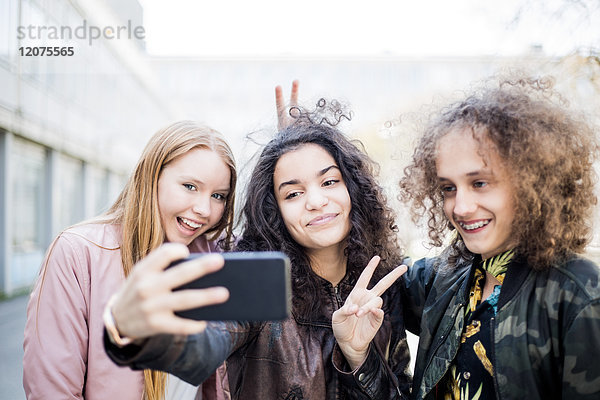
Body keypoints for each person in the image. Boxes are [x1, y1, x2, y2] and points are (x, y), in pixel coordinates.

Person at [102, 98, 413, 399]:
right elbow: (203, 346)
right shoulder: (257, 282)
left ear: (353, 188)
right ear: (273, 209)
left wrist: (359, 358)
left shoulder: (385, 284)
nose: (316, 202)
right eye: (293, 193)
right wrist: (129, 330)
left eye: (329, 182)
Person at [381, 77, 600, 399]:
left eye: (480, 183)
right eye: (448, 188)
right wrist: (299, 161)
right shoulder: (439, 279)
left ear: (530, 182)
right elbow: (362, 272)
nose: (461, 206)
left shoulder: (578, 294)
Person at [23, 121, 237, 400]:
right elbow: (52, 389)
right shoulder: (79, 252)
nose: (204, 209)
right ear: (151, 177)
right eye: (190, 186)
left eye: (218, 196)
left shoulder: (214, 259)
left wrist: (293, 147)